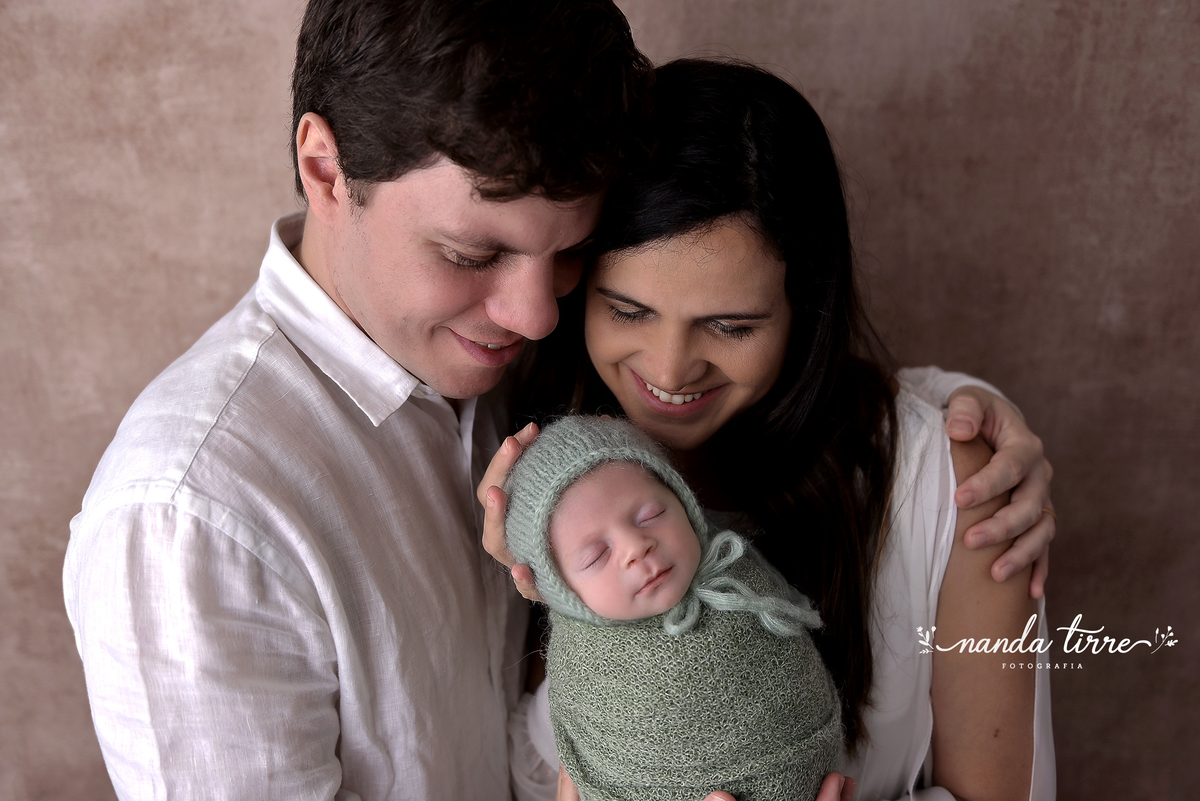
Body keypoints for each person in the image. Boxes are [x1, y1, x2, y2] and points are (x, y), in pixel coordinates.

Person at [62, 2, 653, 798]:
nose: (538, 314)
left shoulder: (517, 375)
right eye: (471, 253)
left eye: (570, 251)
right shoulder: (189, 517)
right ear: (326, 169)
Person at [482, 60, 1056, 801]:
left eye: (730, 325)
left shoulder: (952, 486)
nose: (669, 368)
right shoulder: (525, 469)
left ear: (804, 310)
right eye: (627, 310)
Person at [503, 416, 841, 801]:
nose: (636, 547)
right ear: (560, 592)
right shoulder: (584, 673)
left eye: (651, 516)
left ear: (684, 500)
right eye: (597, 555)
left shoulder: (742, 581)